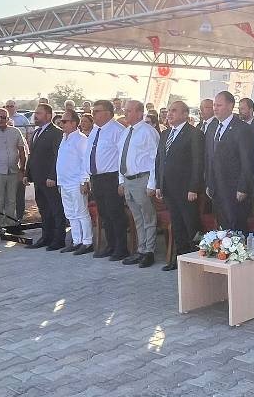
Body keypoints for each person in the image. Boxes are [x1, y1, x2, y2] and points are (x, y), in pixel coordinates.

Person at [150, 100, 204, 271]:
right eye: (169, 111)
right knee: (177, 225)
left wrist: (194, 187)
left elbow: (198, 162)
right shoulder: (166, 133)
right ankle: (180, 258)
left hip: (186, 189)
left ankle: (196, 260)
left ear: (185, 114)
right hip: (169, 188)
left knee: (191, 225)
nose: (169, 114)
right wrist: (159, 184)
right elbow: (159, 160)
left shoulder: (194, 134)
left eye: (174, 110)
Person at [84, 100, 130, 260]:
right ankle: (111, 246)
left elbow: (123, 157)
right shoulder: (95, 130)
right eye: (93, 111)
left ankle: (121, 248)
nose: (93, 114)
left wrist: (121, 181)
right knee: (104, 213)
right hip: (96, 178)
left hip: (111, 177)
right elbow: (89, 154)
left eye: (97, 111)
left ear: (108, 113)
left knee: (115, 213)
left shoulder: (118, 130)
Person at [115, 100, 159, 268]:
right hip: (128, 180)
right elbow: (121, 157)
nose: (125, 113)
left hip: (142, 180)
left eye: (129, 111)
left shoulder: (148, 132)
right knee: (137, 217)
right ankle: (141, 250)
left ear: (140, 113)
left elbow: (155, 159)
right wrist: (121, 181)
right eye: (125, 110)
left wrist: (152, 184)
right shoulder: (126, 132)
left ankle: (149, 251)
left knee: (148, 217)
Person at [205, 91, 254, 234]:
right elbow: (208, 157)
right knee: (222, 228)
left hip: (234, 189)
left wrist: (243, 187)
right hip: (216, 188)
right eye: (214, 105)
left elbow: (247, 160)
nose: (215, 108)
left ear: (230, 106)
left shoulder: (242, 128)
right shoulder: (212, 127)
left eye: (219, 105)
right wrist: (209, 182)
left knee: (236, 228)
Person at [24, 104, 66, 250]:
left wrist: (53, 176)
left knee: (56, 209)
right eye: (35, 113)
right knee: (44, 210)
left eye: (39, 113)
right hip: (38, 178)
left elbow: (57, 156)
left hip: (49, 180)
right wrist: (27, 174)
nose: (35, 116)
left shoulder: (56, 133)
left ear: (48, 115)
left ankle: (58, 239)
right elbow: (32, 155)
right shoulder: (37, 132)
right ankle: (46, 237)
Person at [51, 109, 93, 255]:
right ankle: (77, 241)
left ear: (74, 123)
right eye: (61, 121)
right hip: (64, 183)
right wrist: (60, 182)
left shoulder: (81, 139)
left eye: (64, 121)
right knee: (70, 214)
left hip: (76, 182)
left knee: (81, 212)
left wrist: (84, 181)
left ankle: (87, 242)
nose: (61, 124)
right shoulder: (64, 138)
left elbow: (85, 161)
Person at [0, 108, 27, 231]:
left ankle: (11, 225)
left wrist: (22, 169)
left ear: (8, 119)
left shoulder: (15, 131)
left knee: (12, 200)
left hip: (13, 171)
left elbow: (22, 151)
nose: (0, 119)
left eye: (3, 117)